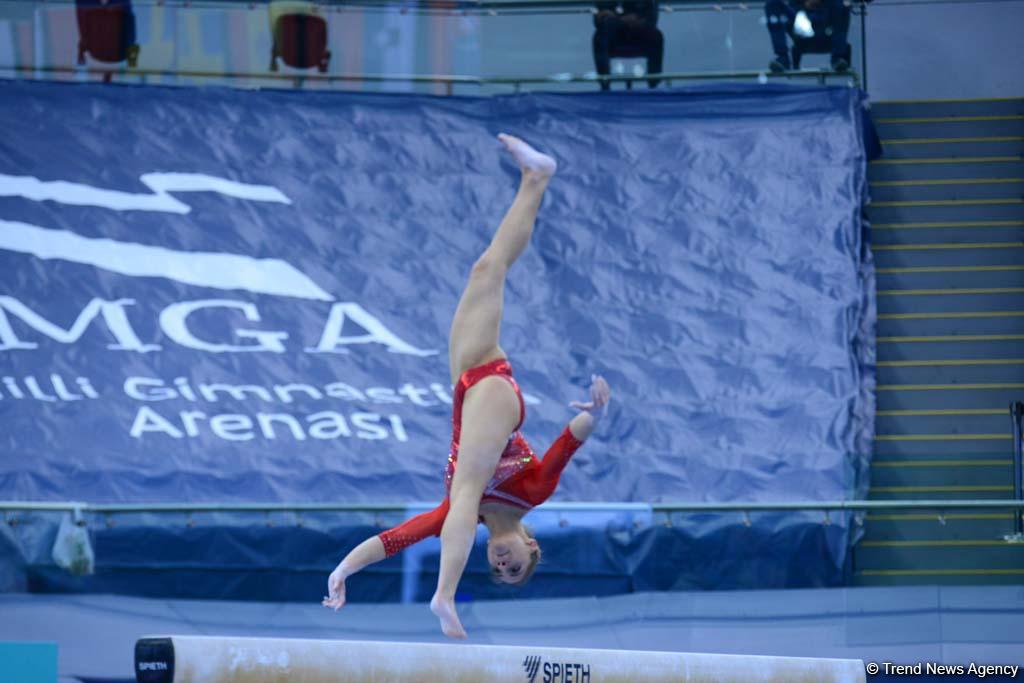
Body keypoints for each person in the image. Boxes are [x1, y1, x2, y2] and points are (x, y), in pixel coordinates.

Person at [322, 134, 613, 639]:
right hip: (496, 394)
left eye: (499, 571)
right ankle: (444, 596)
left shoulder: (465, 515)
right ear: (531, 546)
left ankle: (535, 178)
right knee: (464, 493)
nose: (502, 564)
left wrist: (343, 570)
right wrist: (598, 413)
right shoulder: (532, 493)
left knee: (487, 268)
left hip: (469, 378)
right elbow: (569, 441)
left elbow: (398, 537)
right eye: (515, 566)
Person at [592, 0, 664, 91]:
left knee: (656, 36)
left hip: (639, 27)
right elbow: (599, 18)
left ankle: (654, 86)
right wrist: (612, 18)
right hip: (612, 30)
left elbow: (651, 18)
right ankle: (604, 83)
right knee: (600, 37)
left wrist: (636, 18)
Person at [764, 0, 852, 73]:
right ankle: (783, 59)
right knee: (772, 4)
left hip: (826, 26)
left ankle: (838, 58)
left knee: (842, 4)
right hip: (802, 25)